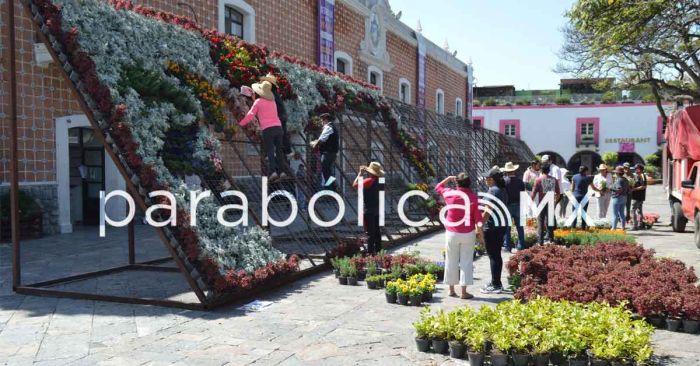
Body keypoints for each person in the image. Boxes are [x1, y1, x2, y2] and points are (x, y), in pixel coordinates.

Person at [435, 173, 483, 299]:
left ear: (457, 183)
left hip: (452, 232)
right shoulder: (473, 198)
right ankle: (464, 292)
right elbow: (478, 218)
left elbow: (438, 187)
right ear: (469, 183)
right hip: (467, 232)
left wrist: (448, 178)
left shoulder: (450, 193)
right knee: (466, 262)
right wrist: (481, 236)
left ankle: (451, 290)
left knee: (451, 260)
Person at [238, 81, 289, 181]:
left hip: (268, 129)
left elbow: (250, 115)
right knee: (279, 151)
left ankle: (273, 172)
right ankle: (282, 172)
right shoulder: (272, 101)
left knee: (270, 151)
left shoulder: (258, 102)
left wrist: (241, 123)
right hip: (278, 128)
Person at [479, 167, 509, 294]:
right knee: (496, 255)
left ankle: (496, 284)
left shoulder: (493, 191)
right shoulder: (502, 190)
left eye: (488, 178)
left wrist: (479, 225)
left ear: (492, 180)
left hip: (492, 228)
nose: (486, 179)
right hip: (501, 226)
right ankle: (496, 282)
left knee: (493, 256)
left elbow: (487, 211)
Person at [352, 162, 385, 255]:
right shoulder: (380, 181)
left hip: (368, 210)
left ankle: (370, 253)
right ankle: (379, 252)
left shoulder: (369, 181)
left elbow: (355, 185)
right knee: (377, 232)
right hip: (377, 209)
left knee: (370, 233)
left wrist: (360, 174)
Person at [260, 73, 294, 160]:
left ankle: (273, 153)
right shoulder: (274, 93)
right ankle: (287, 151)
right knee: (282, 134)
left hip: (278, 116)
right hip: (280, 116)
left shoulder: (271, 93)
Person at [531, 164, 561, 245]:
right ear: (549, 171)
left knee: (540, 222)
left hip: (541, 203)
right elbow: (558, 193)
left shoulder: (538, 180)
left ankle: (540, 241)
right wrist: (555, 201)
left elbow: (533, 193)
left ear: (541, 170)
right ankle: (551, 239)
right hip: (550, 202)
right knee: (550, 221)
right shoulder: (553, 179)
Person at [500, 162, 526, 253]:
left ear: (506, 171)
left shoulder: (504, 181)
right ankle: (521, 245)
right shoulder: (520, 181)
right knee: (520, 226)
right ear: (514, 170)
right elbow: (523, 194)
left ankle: (507, 246)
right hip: (519, 205)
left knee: (507, 227)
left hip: (507, 206)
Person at [310, 113, 338, 189]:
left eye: (322, 120)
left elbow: (322, 139)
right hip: (330, 153)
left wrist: (314, 145)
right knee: (327, 170)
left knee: (325, 171)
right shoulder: (331, 127)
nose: (321, 122)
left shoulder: (328, 127)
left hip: (328, 153)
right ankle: (332, 186)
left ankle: (330, 187)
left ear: (325, 119)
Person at [611, 166, 631, 230]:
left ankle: (613, 228)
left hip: (617, 198)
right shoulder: (625, 179)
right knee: (622, 213)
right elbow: (629, 190)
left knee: (615, 214)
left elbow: (619, 190)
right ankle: (623, 227)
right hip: (624, 198)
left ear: (617, 173)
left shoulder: (618, 180)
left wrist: (611, 188)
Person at [630, 164, 648, 230]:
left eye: (636, 168)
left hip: (638, 196)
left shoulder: (642, 176)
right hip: (637, 196)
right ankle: (641, 225)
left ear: (640, 169)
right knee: (639, 211)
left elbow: (644, 186)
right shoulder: (636, 175)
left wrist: (635, 189)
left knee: (632, 210)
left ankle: (635, 225)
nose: (635, 169)